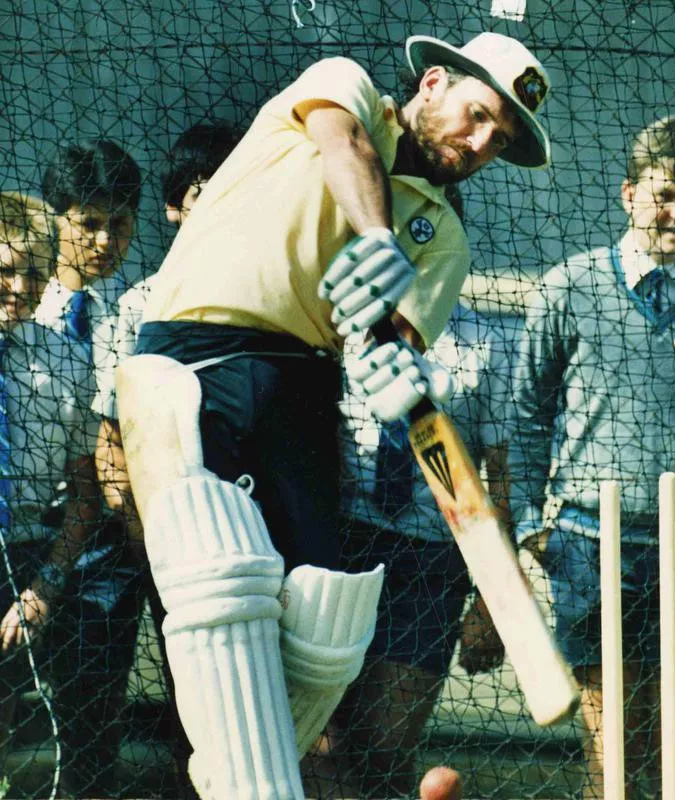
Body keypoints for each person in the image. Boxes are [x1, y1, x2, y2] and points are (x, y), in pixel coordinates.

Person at [114, 31, 552, 800]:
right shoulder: (340, 83)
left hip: (306, 388)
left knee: (322, 619)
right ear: (434, 82)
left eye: (500, 139)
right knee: (223, 584)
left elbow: (394, 339)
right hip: (197, 354)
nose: (481, 144)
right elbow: (345, 146)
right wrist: (378, 237)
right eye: (478, 115)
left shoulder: (445, 236)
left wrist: (393, 366)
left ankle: (243, 781)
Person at [505, 116, 675, 798]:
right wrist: (527, 520)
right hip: (592, 540)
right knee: (612, 756)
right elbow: (528, 414)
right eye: (664, 195)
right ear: (629, 194)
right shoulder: (568, 287)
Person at [93, 120, 241, 800]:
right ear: (174, 205)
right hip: (171, 543)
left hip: (254, 537)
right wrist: (143, 535)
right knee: (193, 701)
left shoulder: (271, 303)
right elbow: (110, 441)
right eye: (201, 192)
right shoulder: (138, 308)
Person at [315, 293, 512, 798]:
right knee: (323, 743)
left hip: (430, 559)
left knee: (386, 747)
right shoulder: (341, 321)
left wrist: (494, 601)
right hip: (340, 544)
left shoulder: (486, 341)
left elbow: (503, 476)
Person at [35, 139, 145, 797]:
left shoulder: (138, 313)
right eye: (88, 222)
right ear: (56, 219)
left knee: (92, 712)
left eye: (120, 223)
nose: (104, 240)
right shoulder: (20, 307)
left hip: (105, 540)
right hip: (27, 528)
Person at [0, 191, 101, 794]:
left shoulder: (64, 361)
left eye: (35, 273)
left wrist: (46, 586)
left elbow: (87, 495)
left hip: (22, 558)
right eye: (6, 267)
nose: (20, 285)